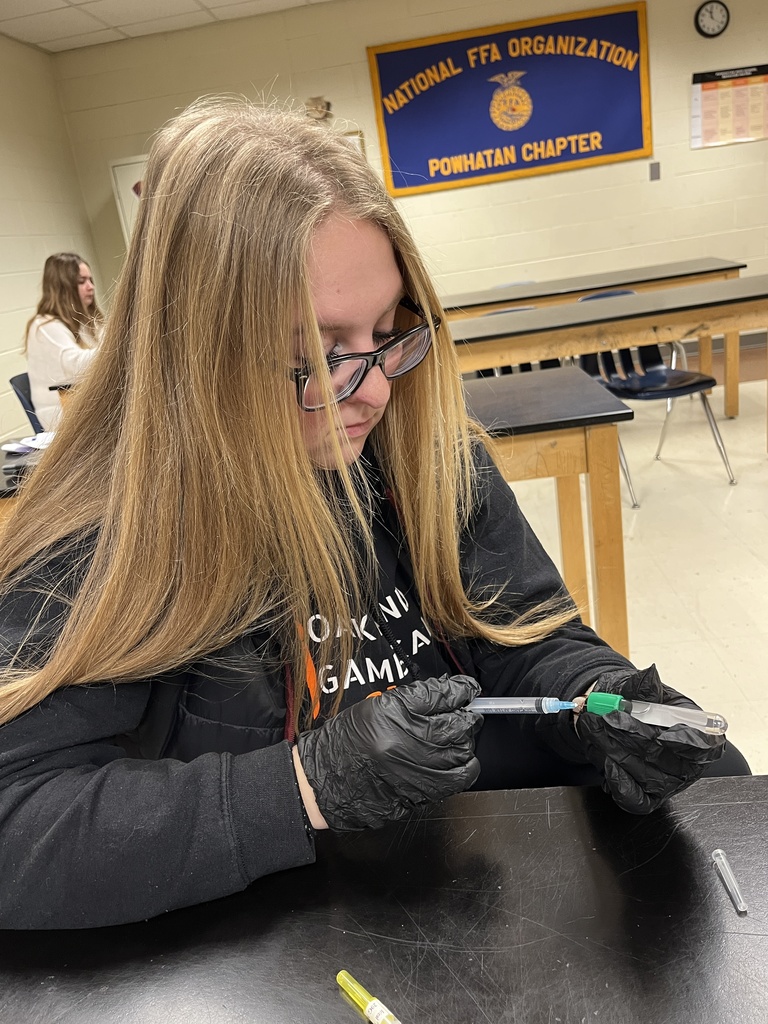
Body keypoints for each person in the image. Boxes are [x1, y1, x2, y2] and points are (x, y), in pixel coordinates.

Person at [0, 98, 746, 931]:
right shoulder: (106, 533)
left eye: (387, 333)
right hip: (281, 945)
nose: (379, 391)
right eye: (310, 359)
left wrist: (593, 701)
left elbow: (532, 640)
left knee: (723, 784)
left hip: (474, 901)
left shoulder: (421, 451)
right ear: (194, 356)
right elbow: (18, 822)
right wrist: (300, 789)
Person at [24, 252, 104, 429]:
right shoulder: (44, 326)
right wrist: (117, 343)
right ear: (62, 286)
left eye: (91, 280)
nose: (90, 287)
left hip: (88, 406)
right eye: (81, 282)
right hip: (61, 418)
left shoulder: (87, 322)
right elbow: (77, 366)